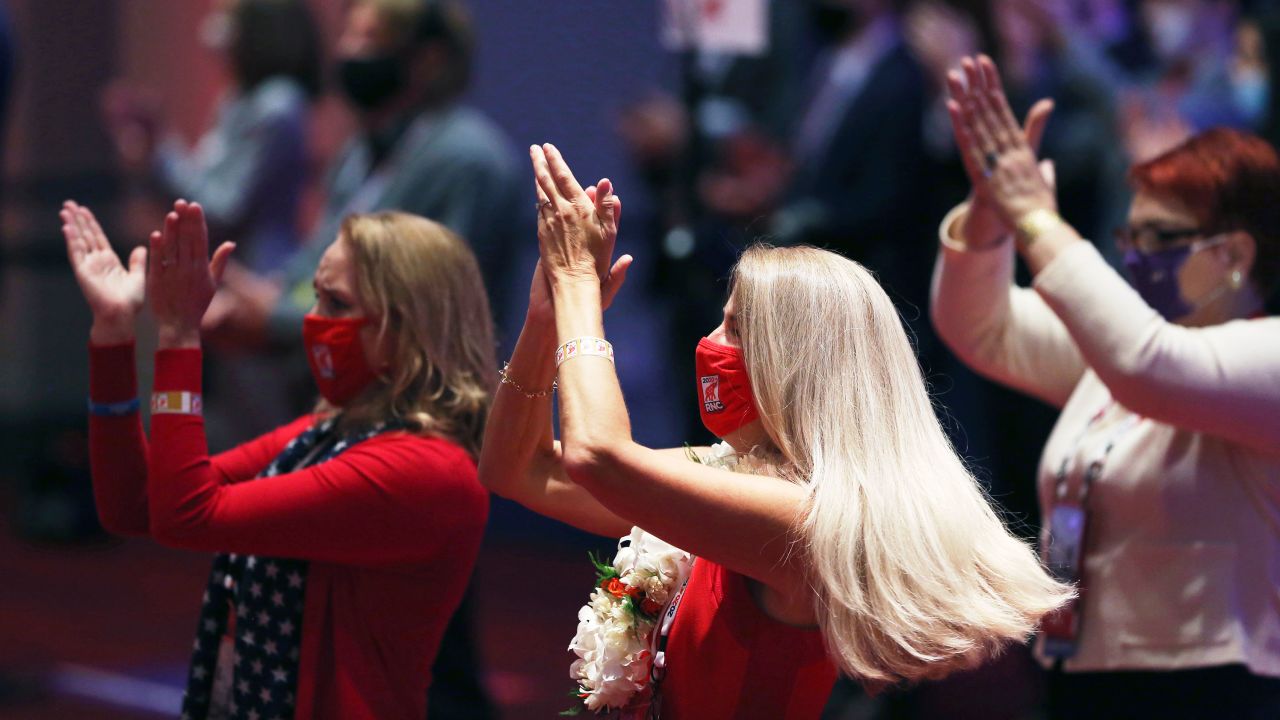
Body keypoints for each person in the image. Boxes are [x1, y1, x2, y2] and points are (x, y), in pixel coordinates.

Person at [479, 144, 1072, 718]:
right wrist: (544, 319)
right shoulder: (732, 473)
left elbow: (596, 457)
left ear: (791, 365)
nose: (710, 342)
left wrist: (579, 284)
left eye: (733, 326)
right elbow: (519, 469)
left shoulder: (805, 522)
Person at [932, 54, 1280, 719]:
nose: (1134, 255)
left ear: (1234, 255)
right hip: (1082, 675)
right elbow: (980, 324)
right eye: (1130, 233)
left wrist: (1039, 219)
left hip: (1217, 691)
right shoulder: (1119, 351)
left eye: (1161, 237)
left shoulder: (1264, 353)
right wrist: (991, 215)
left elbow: (1152, 367)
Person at [63, 198, 492, 719]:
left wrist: (179, 337)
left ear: (405, 329)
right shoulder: (330, 431)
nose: (312, 321)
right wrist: (113, 331)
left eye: (335, 303)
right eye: (314, 298)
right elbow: (136, 506)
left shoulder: (424, 471)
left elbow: (186, 516)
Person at [206, 0, 520, 351]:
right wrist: (266, 294)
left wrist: (276, 320)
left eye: (369, 39)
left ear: (428, 60)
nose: (347, 51)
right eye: (348, 36)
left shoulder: (468, 161)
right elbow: (318, 261)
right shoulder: (360, 151)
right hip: (346, 383)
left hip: (433, 394)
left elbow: (428, 306)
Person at [102, 0, 322, 274]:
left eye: (227, 17)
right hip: (229, 267)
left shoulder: (277, 103)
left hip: (261, 274)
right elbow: (204, 183)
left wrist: (159, 153)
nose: (216, 27)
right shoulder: (236, 100)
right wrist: (154, 149)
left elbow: (221, 209)